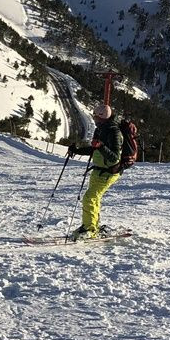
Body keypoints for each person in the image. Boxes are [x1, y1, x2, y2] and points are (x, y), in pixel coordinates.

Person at [67, 103, 123, 240]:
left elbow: (115, 157)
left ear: (102, 117)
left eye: (96, 116)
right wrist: (77, 150)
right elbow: (94, 149)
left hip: (109, 172)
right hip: (98, 170)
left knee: (89, 197)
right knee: (93, 198)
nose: (94, 119)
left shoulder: (114, 132)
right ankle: (92, 225)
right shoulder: (101, 129)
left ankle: (90, 229)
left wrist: (101, 146)